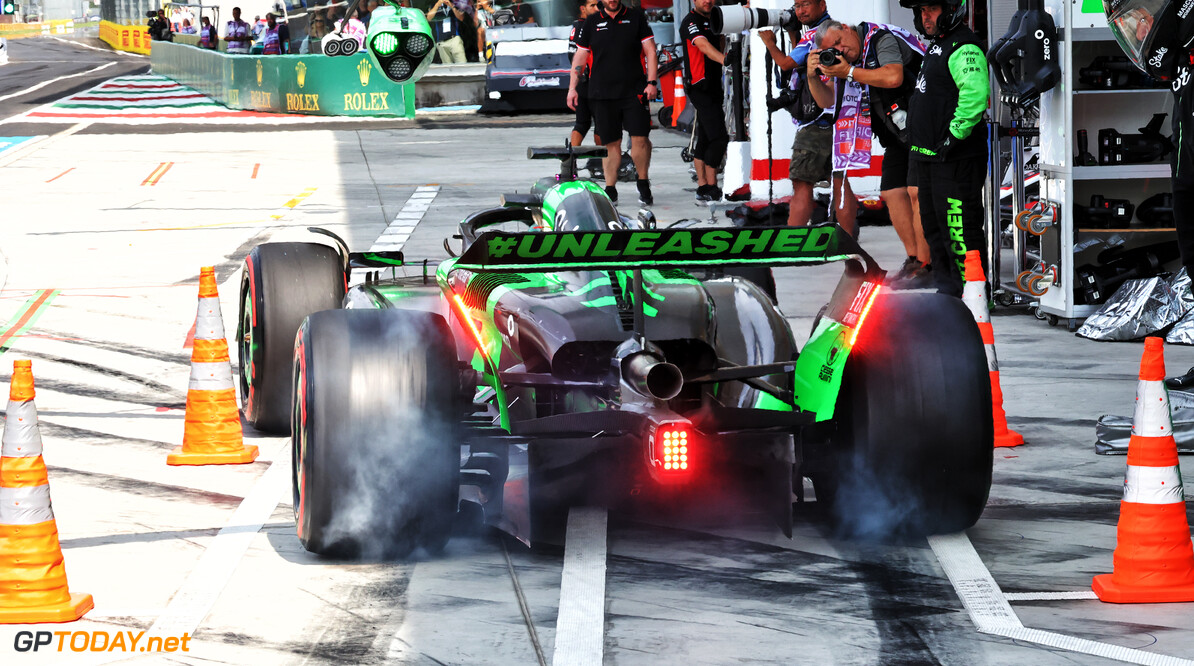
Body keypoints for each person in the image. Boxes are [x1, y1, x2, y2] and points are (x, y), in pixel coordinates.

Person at [808, 19, 931, 287]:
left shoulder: (880, 39)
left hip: (924, 126)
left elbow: (893, 76)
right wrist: (811, 76)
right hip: (896, 135)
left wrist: (850, 71)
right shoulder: (843, 65)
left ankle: (926, 265)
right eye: (834, 49)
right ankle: (913, 260)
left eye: (840, 42)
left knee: (915, 192)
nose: (841, 50)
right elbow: (826, 101)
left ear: (846, 27)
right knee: (891, 192)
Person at [899, 0, 989, 298]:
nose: (925, 16)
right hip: (929, 158)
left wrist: (954, 135)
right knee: (935, 230)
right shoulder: (938, 44)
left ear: (952, 10)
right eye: (921, 10)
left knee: (959, 230)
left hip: (955, 156)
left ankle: (973, 293)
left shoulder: (963, 46)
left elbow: (975, 94)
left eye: (932, 9)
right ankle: (948, 292)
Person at [757, 0, 856, 234]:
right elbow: (803, 65)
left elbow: (786, 63)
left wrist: (770, 43)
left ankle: (792, 242)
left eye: (805, 5)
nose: (800, 11)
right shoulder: (832, 30)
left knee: (802, 183)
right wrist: (793, 33)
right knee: (840, 182)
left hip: (816, 122)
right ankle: (849, 238)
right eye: (797, 6)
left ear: (821, 5)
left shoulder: (815, 33)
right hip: (839, 119)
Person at [568, 0, 659, 205]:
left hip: (635, 91)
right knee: (611, 144)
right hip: (602, 93)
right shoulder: (591, 22)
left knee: (640, 139)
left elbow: (651, 51)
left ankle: (643, 182)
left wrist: (652, 82)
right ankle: (610, 188)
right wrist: (572, 88)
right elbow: (580, 56)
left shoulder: (636, 17)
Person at [681, 0, 728, 201]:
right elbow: (703, 45)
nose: (707, 1)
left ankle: (702, 187)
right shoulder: (690, 21)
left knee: (706, 136)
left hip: (715, 84)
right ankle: (711, 185)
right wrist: (726, 60)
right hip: (699, 86)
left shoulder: (716, 17)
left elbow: (721, 41)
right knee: (720, 138)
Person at [568, 0, 601, 149]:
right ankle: (604, 162)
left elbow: (571, 55)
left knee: (582, 123)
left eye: (597, 5)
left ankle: (570, 161)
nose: (597, 8)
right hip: (592, 82)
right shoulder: (589, 26)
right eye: (592, 6)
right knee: (601, 123)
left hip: (580, 82)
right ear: (583, 8)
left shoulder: (575, 26)